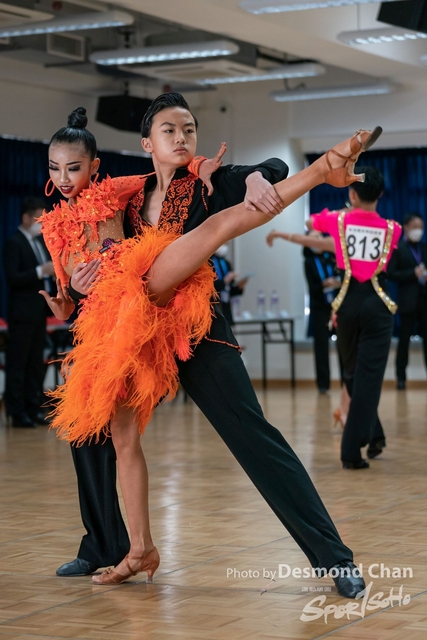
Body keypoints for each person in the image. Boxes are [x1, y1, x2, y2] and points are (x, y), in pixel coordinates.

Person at [46, 95, 381, 596]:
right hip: (136, 330)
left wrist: (253, 176)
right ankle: (105, 545)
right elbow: (86, 247)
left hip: (194, 331)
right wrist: (73, 291)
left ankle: (334, 558)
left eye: (189, 129)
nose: (181, 138)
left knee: (253, 436)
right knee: (90, 424)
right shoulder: (127, 192)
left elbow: (270, 168)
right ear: (147, 143)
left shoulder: (210, 181)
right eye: (169, 130)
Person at [310, 167, 401, 469]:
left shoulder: (338, 221)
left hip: (346, 305)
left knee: (352, 373)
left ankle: (369, 437)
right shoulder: (393, 229)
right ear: (381, 194)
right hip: (378, 305)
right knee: (368, 377)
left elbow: (311, 222)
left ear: (351, 193)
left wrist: (342, 212)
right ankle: (354, 447)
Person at [267, 229, 341, 393]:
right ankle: (323, 385)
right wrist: (323, 285)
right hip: (320, 307)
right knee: (321, 347)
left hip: (337, 306)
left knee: (343, 345)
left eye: (319, 237)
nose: (318, 241)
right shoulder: (309, 262)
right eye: (313, 238)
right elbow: (312, 288)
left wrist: (337, 282)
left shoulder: (332, 257)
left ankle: (347, 384)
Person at [3, 197, 55, 427]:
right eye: (37, 219)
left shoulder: (40, 242)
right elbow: (13, 278)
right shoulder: (14, 242)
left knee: (35, 362)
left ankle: (34, 407)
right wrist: (39, 271)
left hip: (39, 311)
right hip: (22, 313)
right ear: (25, 217)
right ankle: (17, 412)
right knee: (18, 363)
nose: (40, 224)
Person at [387, 213, 427, 390]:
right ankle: (401, 378)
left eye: (421, 227)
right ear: (406, 227)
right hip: (407, 301)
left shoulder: (423, 247)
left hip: (424, 300)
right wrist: (412, 273)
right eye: (415, 227)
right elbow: (391, 274)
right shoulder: (398, 248)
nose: (419, 230)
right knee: (404, 341)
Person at [211, 243, 248, 325]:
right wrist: (225, 281)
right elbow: (210, 288)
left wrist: (239, 287)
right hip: (214, 308)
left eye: (226, 244)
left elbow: (230, 290)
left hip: (226, 308)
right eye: (223, 243)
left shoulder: (226, 263)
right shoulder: (210, 263)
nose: (224, 247)